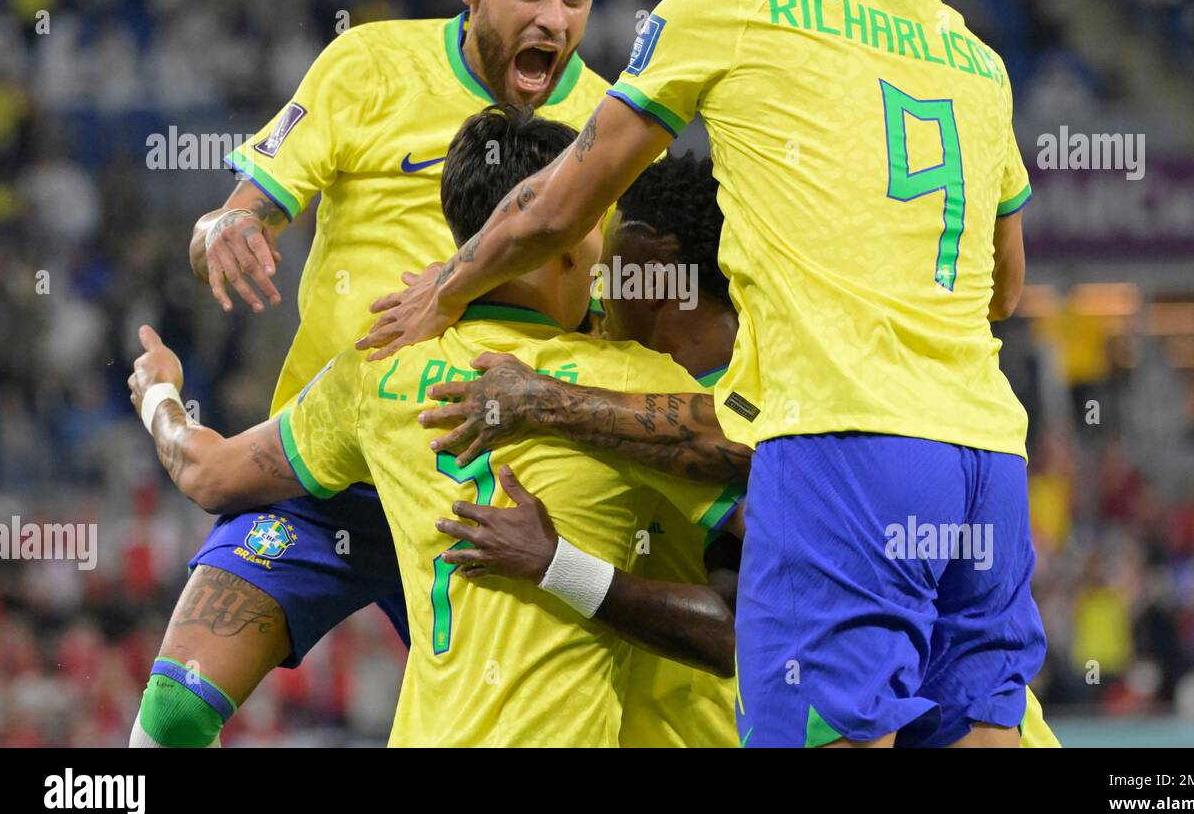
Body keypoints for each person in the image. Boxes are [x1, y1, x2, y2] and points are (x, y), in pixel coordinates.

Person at [355, 0, 1046, 748]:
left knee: (831, 732)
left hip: (843, 439)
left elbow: (564, 203)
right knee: (983, 733)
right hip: (986, 456)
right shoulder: (974, 56)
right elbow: (1005, 288)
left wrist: (450, 282)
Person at [132, 0, 614, 748]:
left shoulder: (608, 124)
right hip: (324, 460)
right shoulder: (368, 66)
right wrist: (229, 226)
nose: (556, 20)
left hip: (480, 491)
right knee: (171, 711)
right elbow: (241, 210)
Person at [129, 107, 742, 746]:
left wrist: (159, 394)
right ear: (557, 236)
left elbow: (208, 472)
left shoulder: (378, 371)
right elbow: (760, 471)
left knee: (174, 714)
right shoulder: (635, 379)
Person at [424, 151, 1059, 748]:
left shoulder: (757, 400)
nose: (596, 285)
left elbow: (736, 628)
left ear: (654, 265)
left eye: (611, 264)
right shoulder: (765, 367)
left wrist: (557, 564)